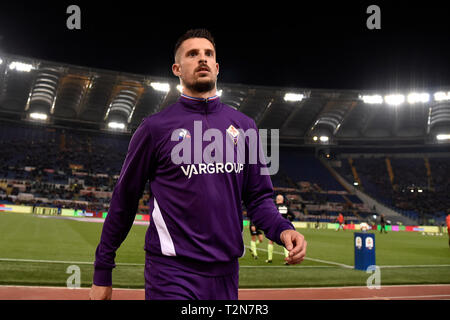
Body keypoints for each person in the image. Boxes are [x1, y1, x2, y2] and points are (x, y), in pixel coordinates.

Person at [89, 29, 307, 300]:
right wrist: (102, 272)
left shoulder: (246, 127)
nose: (202, 59)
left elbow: (259, 197)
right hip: (171, 274)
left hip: (226, 274)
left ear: (216, 67)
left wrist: (283, 229)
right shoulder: (154, 129)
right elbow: (124, 201)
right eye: (192, 54)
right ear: (177, 68)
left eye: (208, 54)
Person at [266, 194, 296, 264]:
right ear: (282, 200)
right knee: (286, 241)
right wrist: (288, 221)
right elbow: (293, 216)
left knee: (271, 241)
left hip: (275, 225)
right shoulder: (286, 207)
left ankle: (270, 259)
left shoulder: (274, 207)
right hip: (284, 226)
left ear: (277, 200)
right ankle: (288, 259)